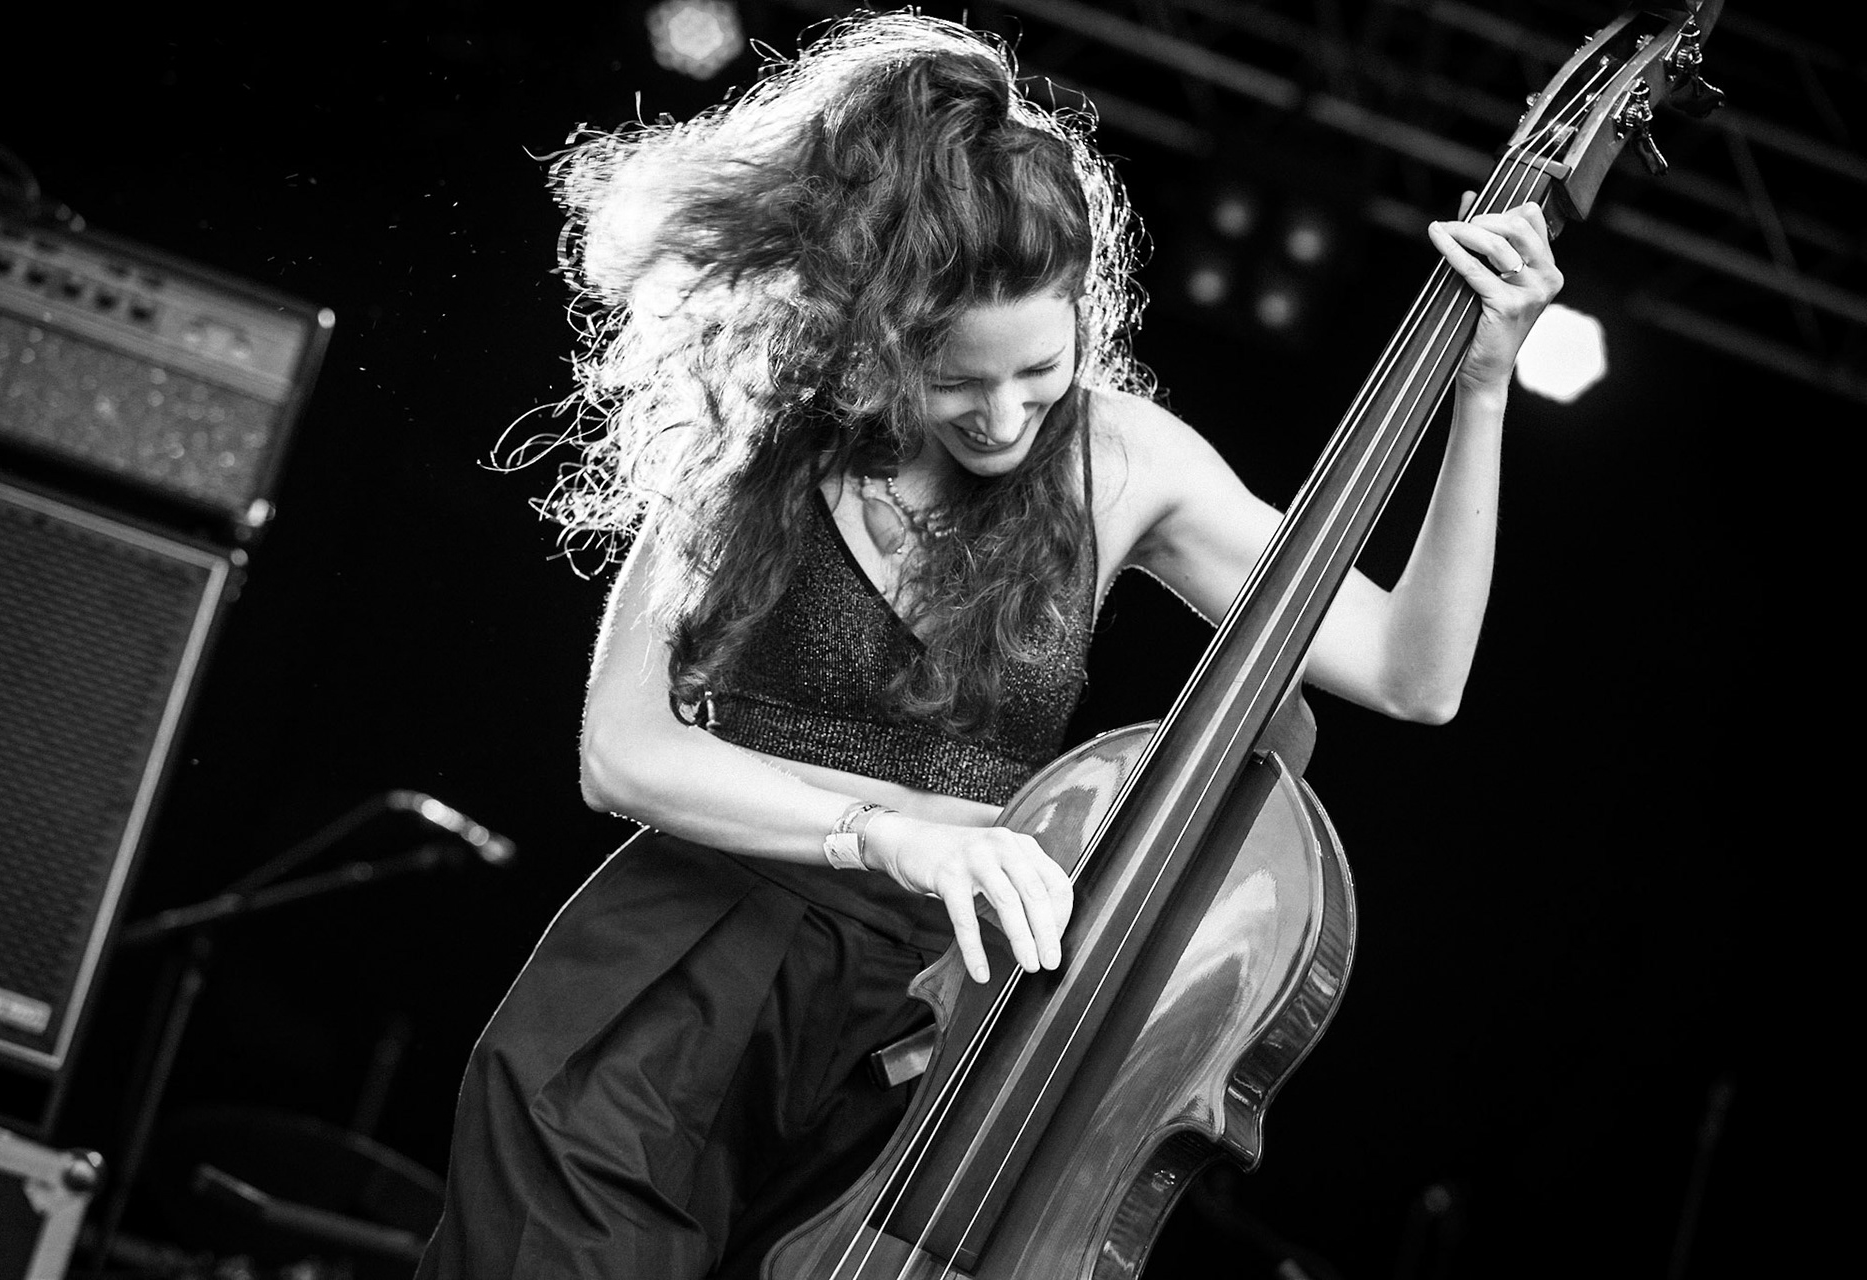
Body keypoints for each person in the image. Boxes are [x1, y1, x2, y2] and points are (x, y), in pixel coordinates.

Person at [416, 10, 1558, 1278]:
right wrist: (890, 830)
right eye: (956, 381)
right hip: (664, 996)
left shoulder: (1125, 463)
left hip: (912, 1052)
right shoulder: (765, 431)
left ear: (1082, 313)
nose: (1006, 415)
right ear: (878, 329)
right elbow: (621, 756)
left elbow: (1415, 673)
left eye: (1043, 369)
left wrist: (1486, 387)